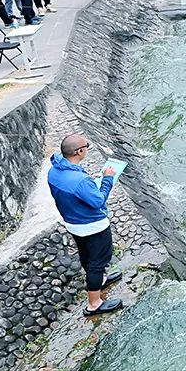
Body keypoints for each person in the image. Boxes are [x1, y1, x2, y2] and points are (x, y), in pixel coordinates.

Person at [47, 134, 124, 317]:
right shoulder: (80, 181)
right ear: (79, 151)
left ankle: (100, 281)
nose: (87, 149)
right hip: (93, 226)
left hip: (73, 224)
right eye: (86, 146)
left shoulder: (54, 171)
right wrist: (107, 179)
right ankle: (94, 304)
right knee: (97, 263)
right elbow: (98, 201)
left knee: (86, 257)